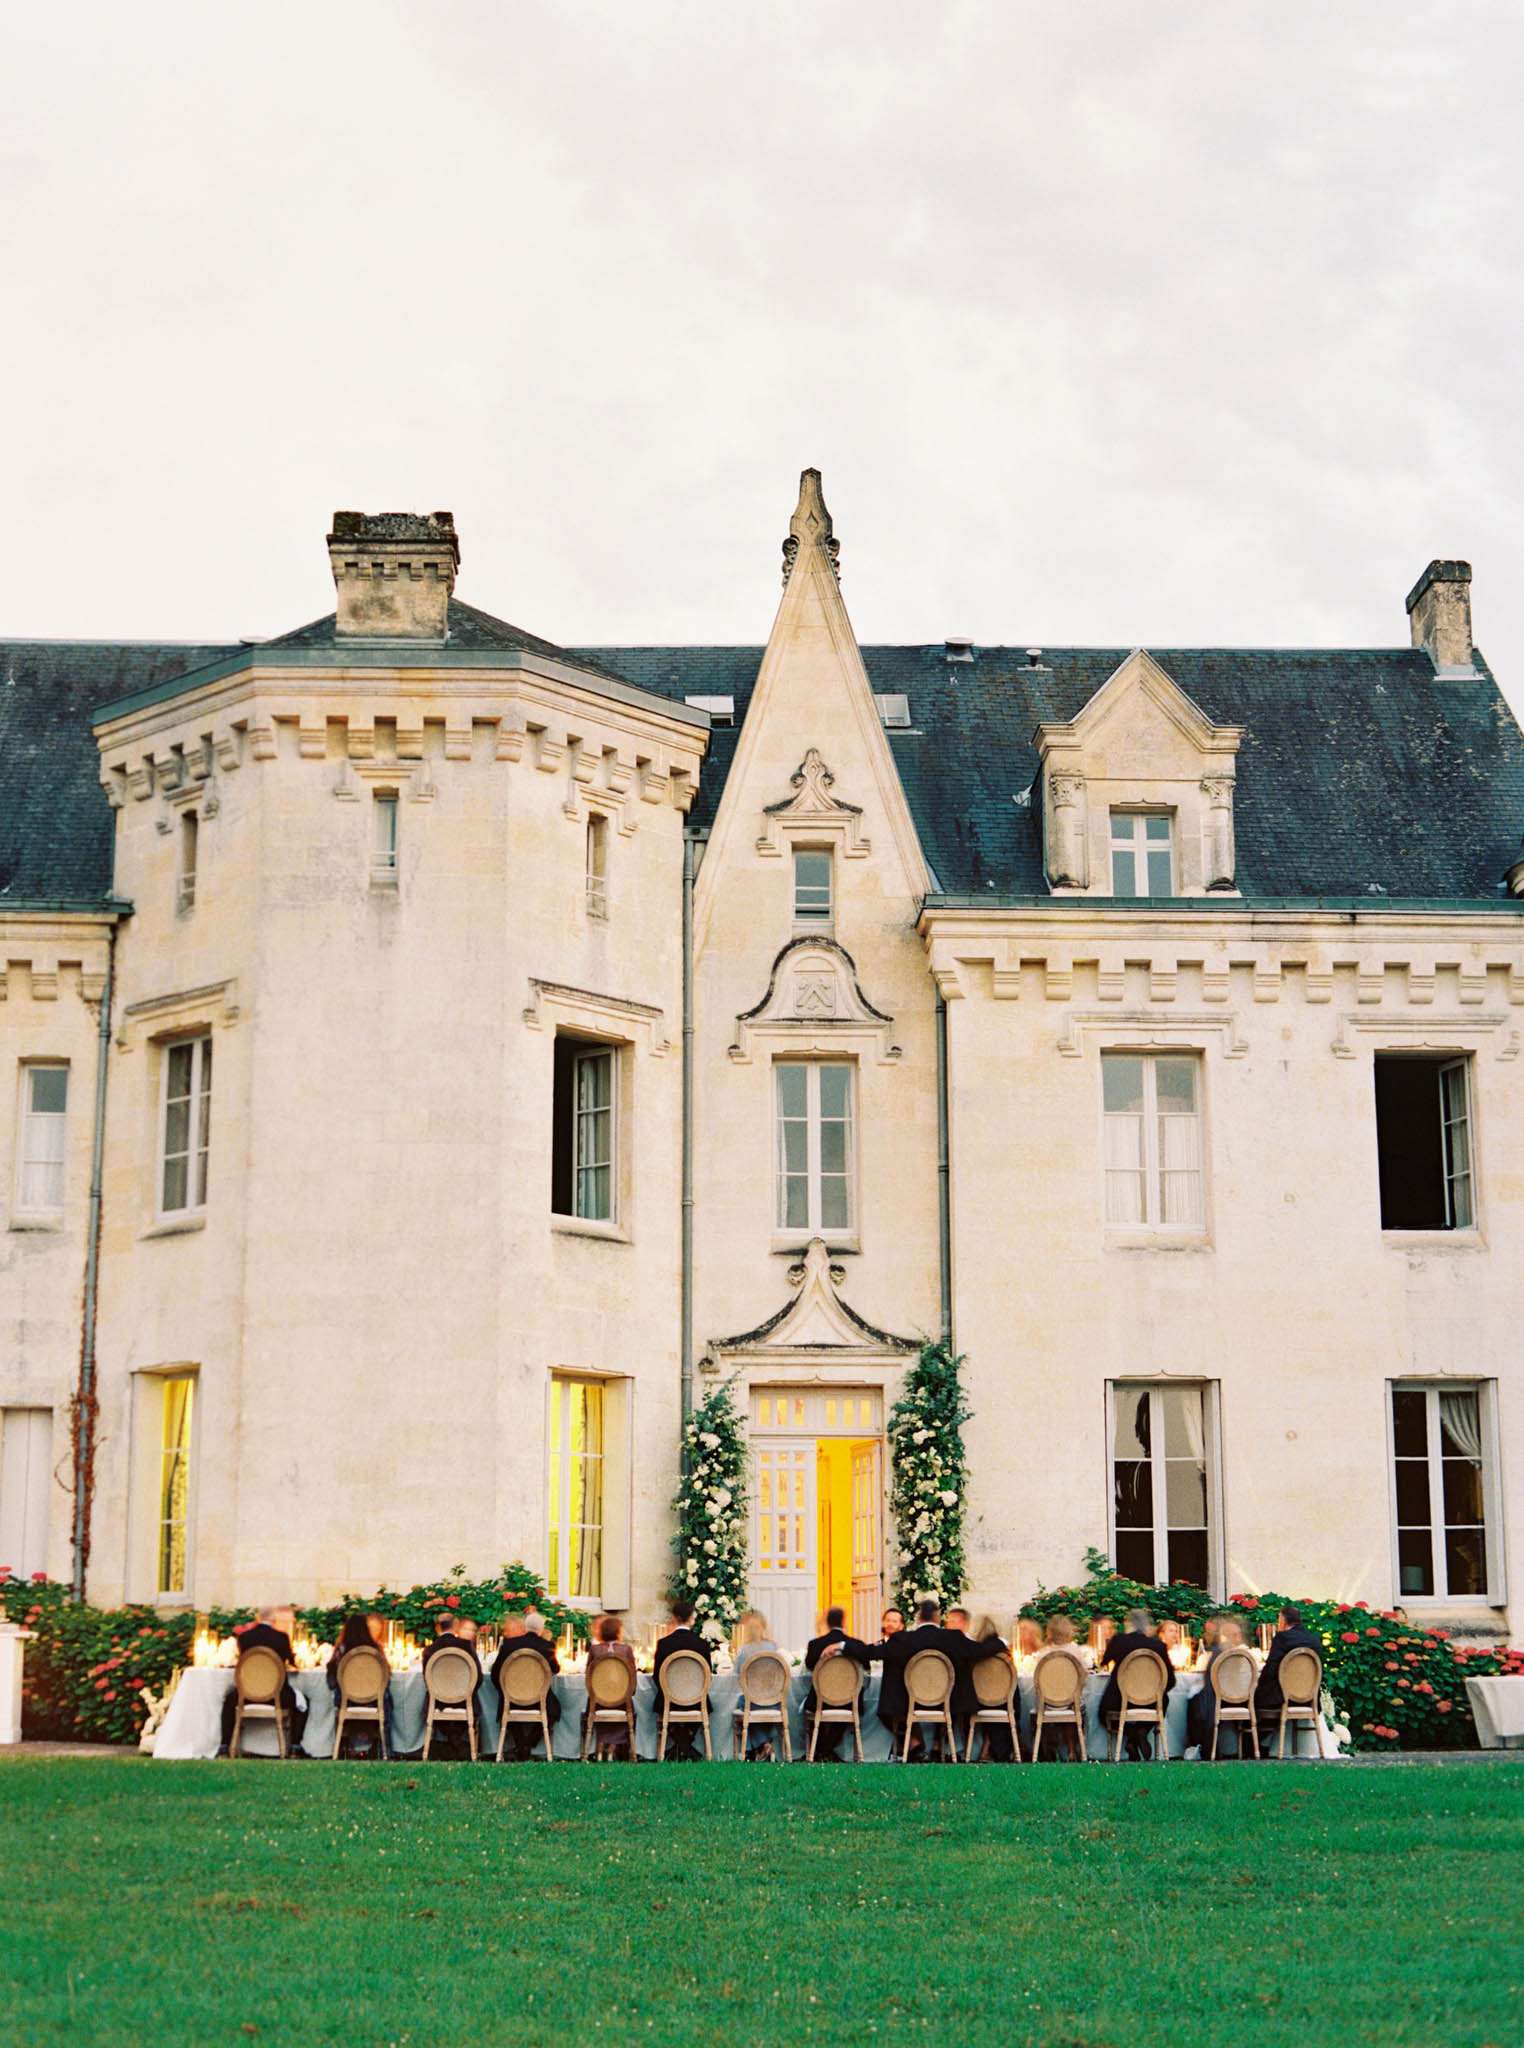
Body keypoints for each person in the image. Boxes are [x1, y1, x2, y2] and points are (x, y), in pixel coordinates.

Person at [879, 1598, 1008, 1760]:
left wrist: (843, 1647)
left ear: (918, 1619)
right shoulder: (954, 1637)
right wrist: (1001, 1642)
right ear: (937, 1618)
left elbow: (874, 1652)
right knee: (959, 1682)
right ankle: (938, 1743)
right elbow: (979, 1650)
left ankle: (913, 1739)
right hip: (948, 1702)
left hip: (911, 1701)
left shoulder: (902, 1639)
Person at [220, 1604, 308, 1755]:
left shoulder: (244, 1638)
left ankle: (225, 1744)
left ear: (258, 1618)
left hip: (247, 1696)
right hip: (277, 1696)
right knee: (304, 1701)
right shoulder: (281, 1638)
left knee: (229, 1700)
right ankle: (295, 1745)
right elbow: (291, 1662)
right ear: (273, 1619)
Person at [1097, 1607, 1175, 1761]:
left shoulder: (1119, 1641)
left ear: (1128, 1624)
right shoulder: (1158, 1646)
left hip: (1119, 1700)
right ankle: (1140, 1732)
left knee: (1102, 1714)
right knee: (1164, 1700)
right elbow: (1171, 1680)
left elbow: (1103, 1662)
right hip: (1152, 1702)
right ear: (1147, 1626)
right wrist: (1151, 1693)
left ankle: (1132, 1735)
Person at [804, 1606, 873, 1760]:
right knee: (844, 1705)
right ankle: (826, 1750)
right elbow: (867, 1667)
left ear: (827, 1623)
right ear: (844, 1622)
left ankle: (821, 1750)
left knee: (819, 1711)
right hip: (849, 1701)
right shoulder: (857, 1645)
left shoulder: (815, 1644)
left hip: (821, 1700)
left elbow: (809, 1667)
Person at [492, 1609, 561, 1760]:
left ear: (525, 1627)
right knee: (553, 1710)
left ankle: (521, 1744)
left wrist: (506, 1691)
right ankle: (528, 1744)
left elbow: (495, 1673)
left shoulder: (509, 1645)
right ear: (541, 1629)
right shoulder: (547, 1646)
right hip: (539, 1699)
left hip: (512, 1697)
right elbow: (556, 1669)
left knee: (506, 1708)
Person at [948, 1608, 1015, 1761]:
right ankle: (995, 1747)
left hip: (974, 1699)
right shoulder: (995, 1650)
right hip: (1002, 1701)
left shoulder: (972, 1650)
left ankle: (978, 1749)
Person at [1254, 1605, 1322, 1750]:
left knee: (1253, 1699)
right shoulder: (1314, 1639)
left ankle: (1255, 1745)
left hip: (1284, 1698)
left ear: (1283, 1620)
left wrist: (1257, 1687)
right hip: (1310, 1698)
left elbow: (1271, 1669)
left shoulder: (1282, 1638)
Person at [327, 1612, 394, 1755]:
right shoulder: (376, 1649)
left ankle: (344, 1747)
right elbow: (387, 1677)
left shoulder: (342, 1650)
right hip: (374, 1701)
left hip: (348, 1701)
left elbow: (331, 1682)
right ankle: (386, 1750)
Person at [654, 1599, 714, 1758]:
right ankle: (687, 1749)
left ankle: (680, 1748)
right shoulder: (702, 1645)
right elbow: (708, 1677)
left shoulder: (663, 1644)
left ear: (674, 1617)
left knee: (659, 1704)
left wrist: (671, 1693)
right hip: (696, 1700)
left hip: (669, 1700)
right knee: (706, 1705)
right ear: (692, 1618)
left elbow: (656, 1676)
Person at [423, 1608, 484, 1759]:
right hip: (465, 1701)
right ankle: (457, 1744)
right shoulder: (466, 1646)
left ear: (438, 1627)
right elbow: (479, 1678)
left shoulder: (429, 1650)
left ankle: (453, 1742)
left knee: (430, 1698)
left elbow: (427, 1680)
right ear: (455, 1626)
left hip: (438, 1702)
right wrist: (465, 1692)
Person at [1186, 1614, 1247, 1757]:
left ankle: (1198, 1745)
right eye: (1236, 1635)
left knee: (1194, 1699)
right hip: (1244, 1700)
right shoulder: (1244, 1653)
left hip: (1218, 1701)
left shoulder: (1219, 1653)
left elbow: (1211, 1683)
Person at [585, 1614, 639, 1759]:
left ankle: (601, 1744)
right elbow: (632, 1677)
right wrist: (630, 1693)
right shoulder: (626, 1650)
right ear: (618, 1632)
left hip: (598, 1701)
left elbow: (588, 1675)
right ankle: (613, 1748)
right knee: (630, 1708)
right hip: (622, 1700)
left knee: (592, 1705)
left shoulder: (595, 1650)